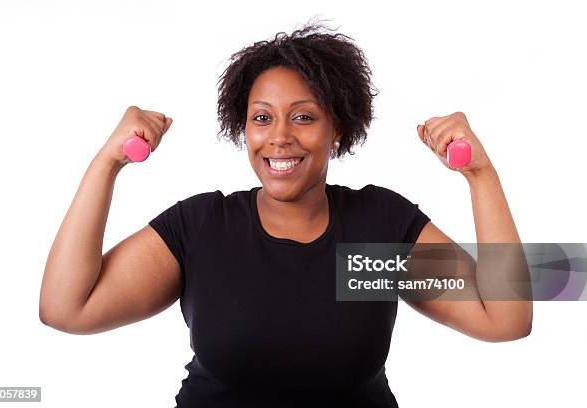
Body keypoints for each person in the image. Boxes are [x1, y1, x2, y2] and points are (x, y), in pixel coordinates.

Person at [39, 22, 532, 408]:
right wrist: (108, 163)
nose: (279, 137)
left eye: (303, 116)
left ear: (336, 128)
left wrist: (481, 176)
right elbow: (66, 308)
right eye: (261, 117)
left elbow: (507, 317)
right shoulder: (203, 228)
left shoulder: (374, 233)